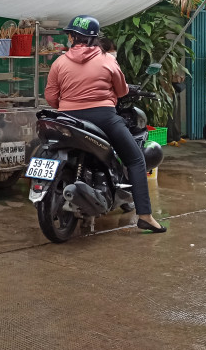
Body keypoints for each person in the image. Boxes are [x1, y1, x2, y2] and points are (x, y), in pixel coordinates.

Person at [44, 15, 166, 233]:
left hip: (67, 119)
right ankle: (145, 215)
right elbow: (121, 92)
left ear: (72, 37)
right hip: (103, 117)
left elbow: (52, 99)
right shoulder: (107, 60)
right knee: (136, 159)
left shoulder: (59, 63)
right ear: (95, 38)